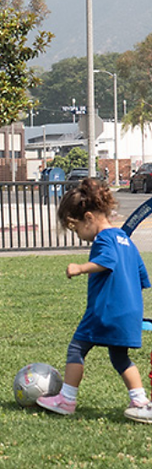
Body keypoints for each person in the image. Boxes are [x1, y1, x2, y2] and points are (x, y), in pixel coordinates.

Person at [35, 179, 152, 420]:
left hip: (104, 310)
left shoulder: (104, 239)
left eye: (76, 228)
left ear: (88, 217)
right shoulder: (125, 239)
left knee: (77, 347)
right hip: (128, 313)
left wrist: (80, 267)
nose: (79, 235)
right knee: (120, 357)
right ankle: (141, 401)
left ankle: (67, 399)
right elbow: (142, 277)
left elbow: (106, 261)